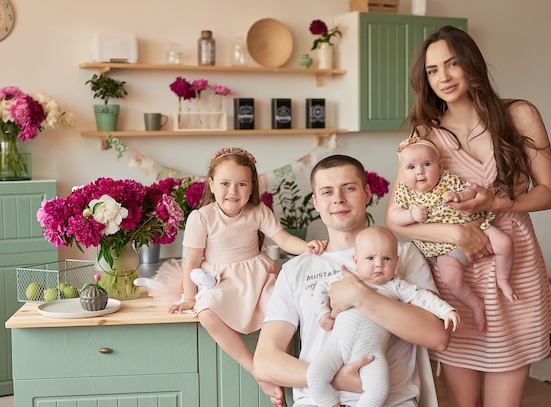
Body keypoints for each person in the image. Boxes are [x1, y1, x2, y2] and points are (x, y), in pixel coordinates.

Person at [385, 26, 551, 407]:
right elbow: (395, 220)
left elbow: (549, 193)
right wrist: (455, 234)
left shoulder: (520, 115)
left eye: (452, 63)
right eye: (432, 71)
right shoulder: (426, 135)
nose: (443, 77)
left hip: (512, 264)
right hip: (456, 273)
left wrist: (498, 204)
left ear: (472, 63)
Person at [254, 154, 451, 407]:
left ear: (367, 193)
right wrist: (335, 379)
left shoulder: (402, 254)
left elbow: (437, 336)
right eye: (327, 192)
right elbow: (265, 360)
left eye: (349, 188)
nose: (338, 198)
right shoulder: (296, 269)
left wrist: (362, 296)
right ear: (315, 202)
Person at [167, 147, 327, 395]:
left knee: (284, 308)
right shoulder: (202, 217)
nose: (233, 191)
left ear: (251, 187)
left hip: (259, 276)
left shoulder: (258, 211)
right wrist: (189, 297)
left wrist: (307, 247)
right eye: (225, 183)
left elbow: (283, 239)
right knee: (207, 311)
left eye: (241, 184)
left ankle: (279, 367)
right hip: (222, 281)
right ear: (211, 185)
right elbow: (192, 262)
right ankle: (257, 369)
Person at [307, 226, 460, 407]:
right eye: (370, 258)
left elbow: (424, 298)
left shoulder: (397, 286)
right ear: (356, 260)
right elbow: (321, 287)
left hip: (372, 354)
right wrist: (323, 312)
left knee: (378, 389)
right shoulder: (347, 278)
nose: (379, 264)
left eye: (386, 258)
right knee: (314, 376)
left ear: (396, 261)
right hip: (337, 347)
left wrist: (447, 311)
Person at [388, 136, 516, 331]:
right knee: (450, 280)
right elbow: (394, 216)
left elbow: (468, 192)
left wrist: (458, 196)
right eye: (411, 168)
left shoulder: (447, 179)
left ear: (439, 166)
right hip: (441, 246)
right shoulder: (404, 191)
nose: (420, 171)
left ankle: (503, 279)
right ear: (403, 172)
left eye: (427, 164)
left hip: (473, 224)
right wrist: (411, 214)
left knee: (505, 242)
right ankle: (475, 304)